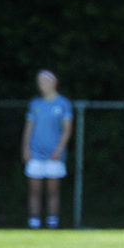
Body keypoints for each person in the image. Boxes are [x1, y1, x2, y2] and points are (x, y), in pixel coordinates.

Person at [22, 70, 74, 229]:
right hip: (35, 153)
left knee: (53, 190)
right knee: (34, 190)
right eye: (39, 82)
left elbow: (67, 129)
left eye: (44, 81)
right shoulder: (35, 104)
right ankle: (34, 222)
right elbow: (29, 128)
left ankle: (52, 222)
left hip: (54, 154)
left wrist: (59, 149)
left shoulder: (63, 103)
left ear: (54, 82)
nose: (41, 85)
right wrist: (25, 148)